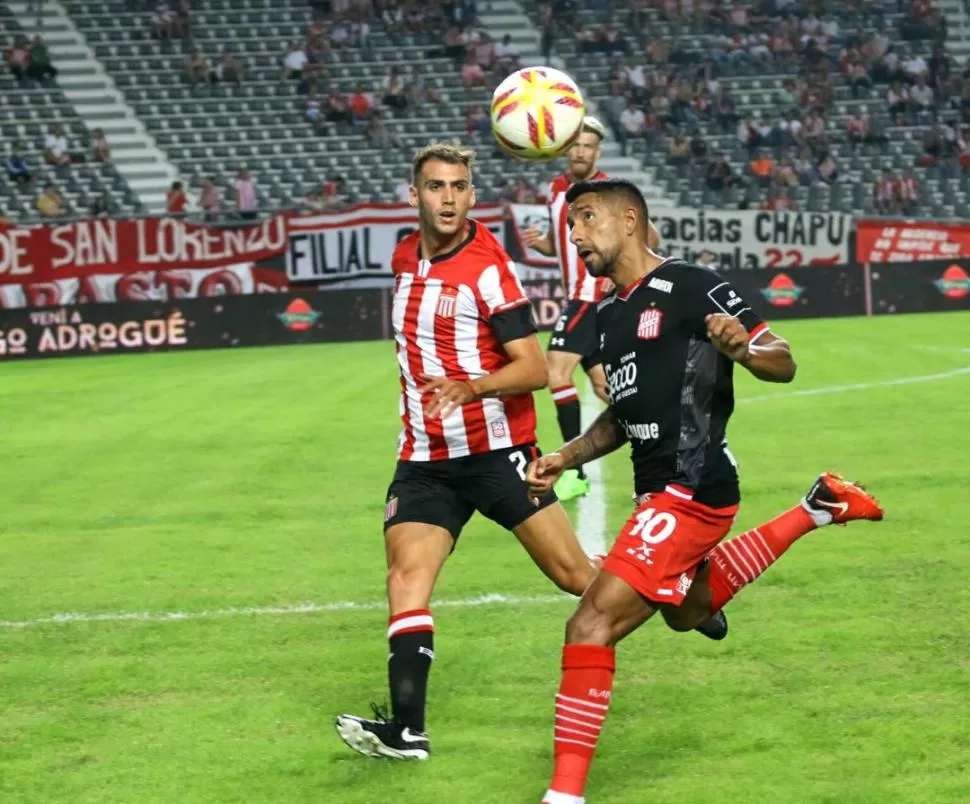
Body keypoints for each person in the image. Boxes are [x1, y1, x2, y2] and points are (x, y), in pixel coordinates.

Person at [526, 178, 885, 804]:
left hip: (690, 485)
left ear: (629, 219)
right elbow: (623, 417)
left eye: (585, 219)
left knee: (589, 625)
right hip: (657, 490)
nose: (575, 234)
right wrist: (566, 454)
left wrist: (745, 350)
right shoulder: (610, 315)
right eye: (571, 223)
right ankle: (817, 507)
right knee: (687, 612)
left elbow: (782, 355)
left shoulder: (690, 284)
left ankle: (564, 796)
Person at [334, 143, 611, 763]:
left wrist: (472, 386)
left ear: (472, 194)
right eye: (436, 186)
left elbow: (535, 368)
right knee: (405, 580)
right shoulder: (404, 256)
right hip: (425, 461)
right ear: (415, 196)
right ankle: (407, 732)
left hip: (498, 455)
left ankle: (682, 600)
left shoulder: (490, 269)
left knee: (575, 577)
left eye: (459, 186)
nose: (449, 198)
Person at [522, 118, 659, 501]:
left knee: (555, 371)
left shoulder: (606, 193)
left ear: (597, 151)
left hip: (591, 296)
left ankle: (573, 473)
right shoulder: (555, 190)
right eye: (575, 145)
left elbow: (649, 237)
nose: (580, 151)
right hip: (576, 295)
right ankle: (666, 437)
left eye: (588, 145)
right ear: (564, 148)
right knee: (606, 387)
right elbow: (564, 247)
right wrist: (545, 245)